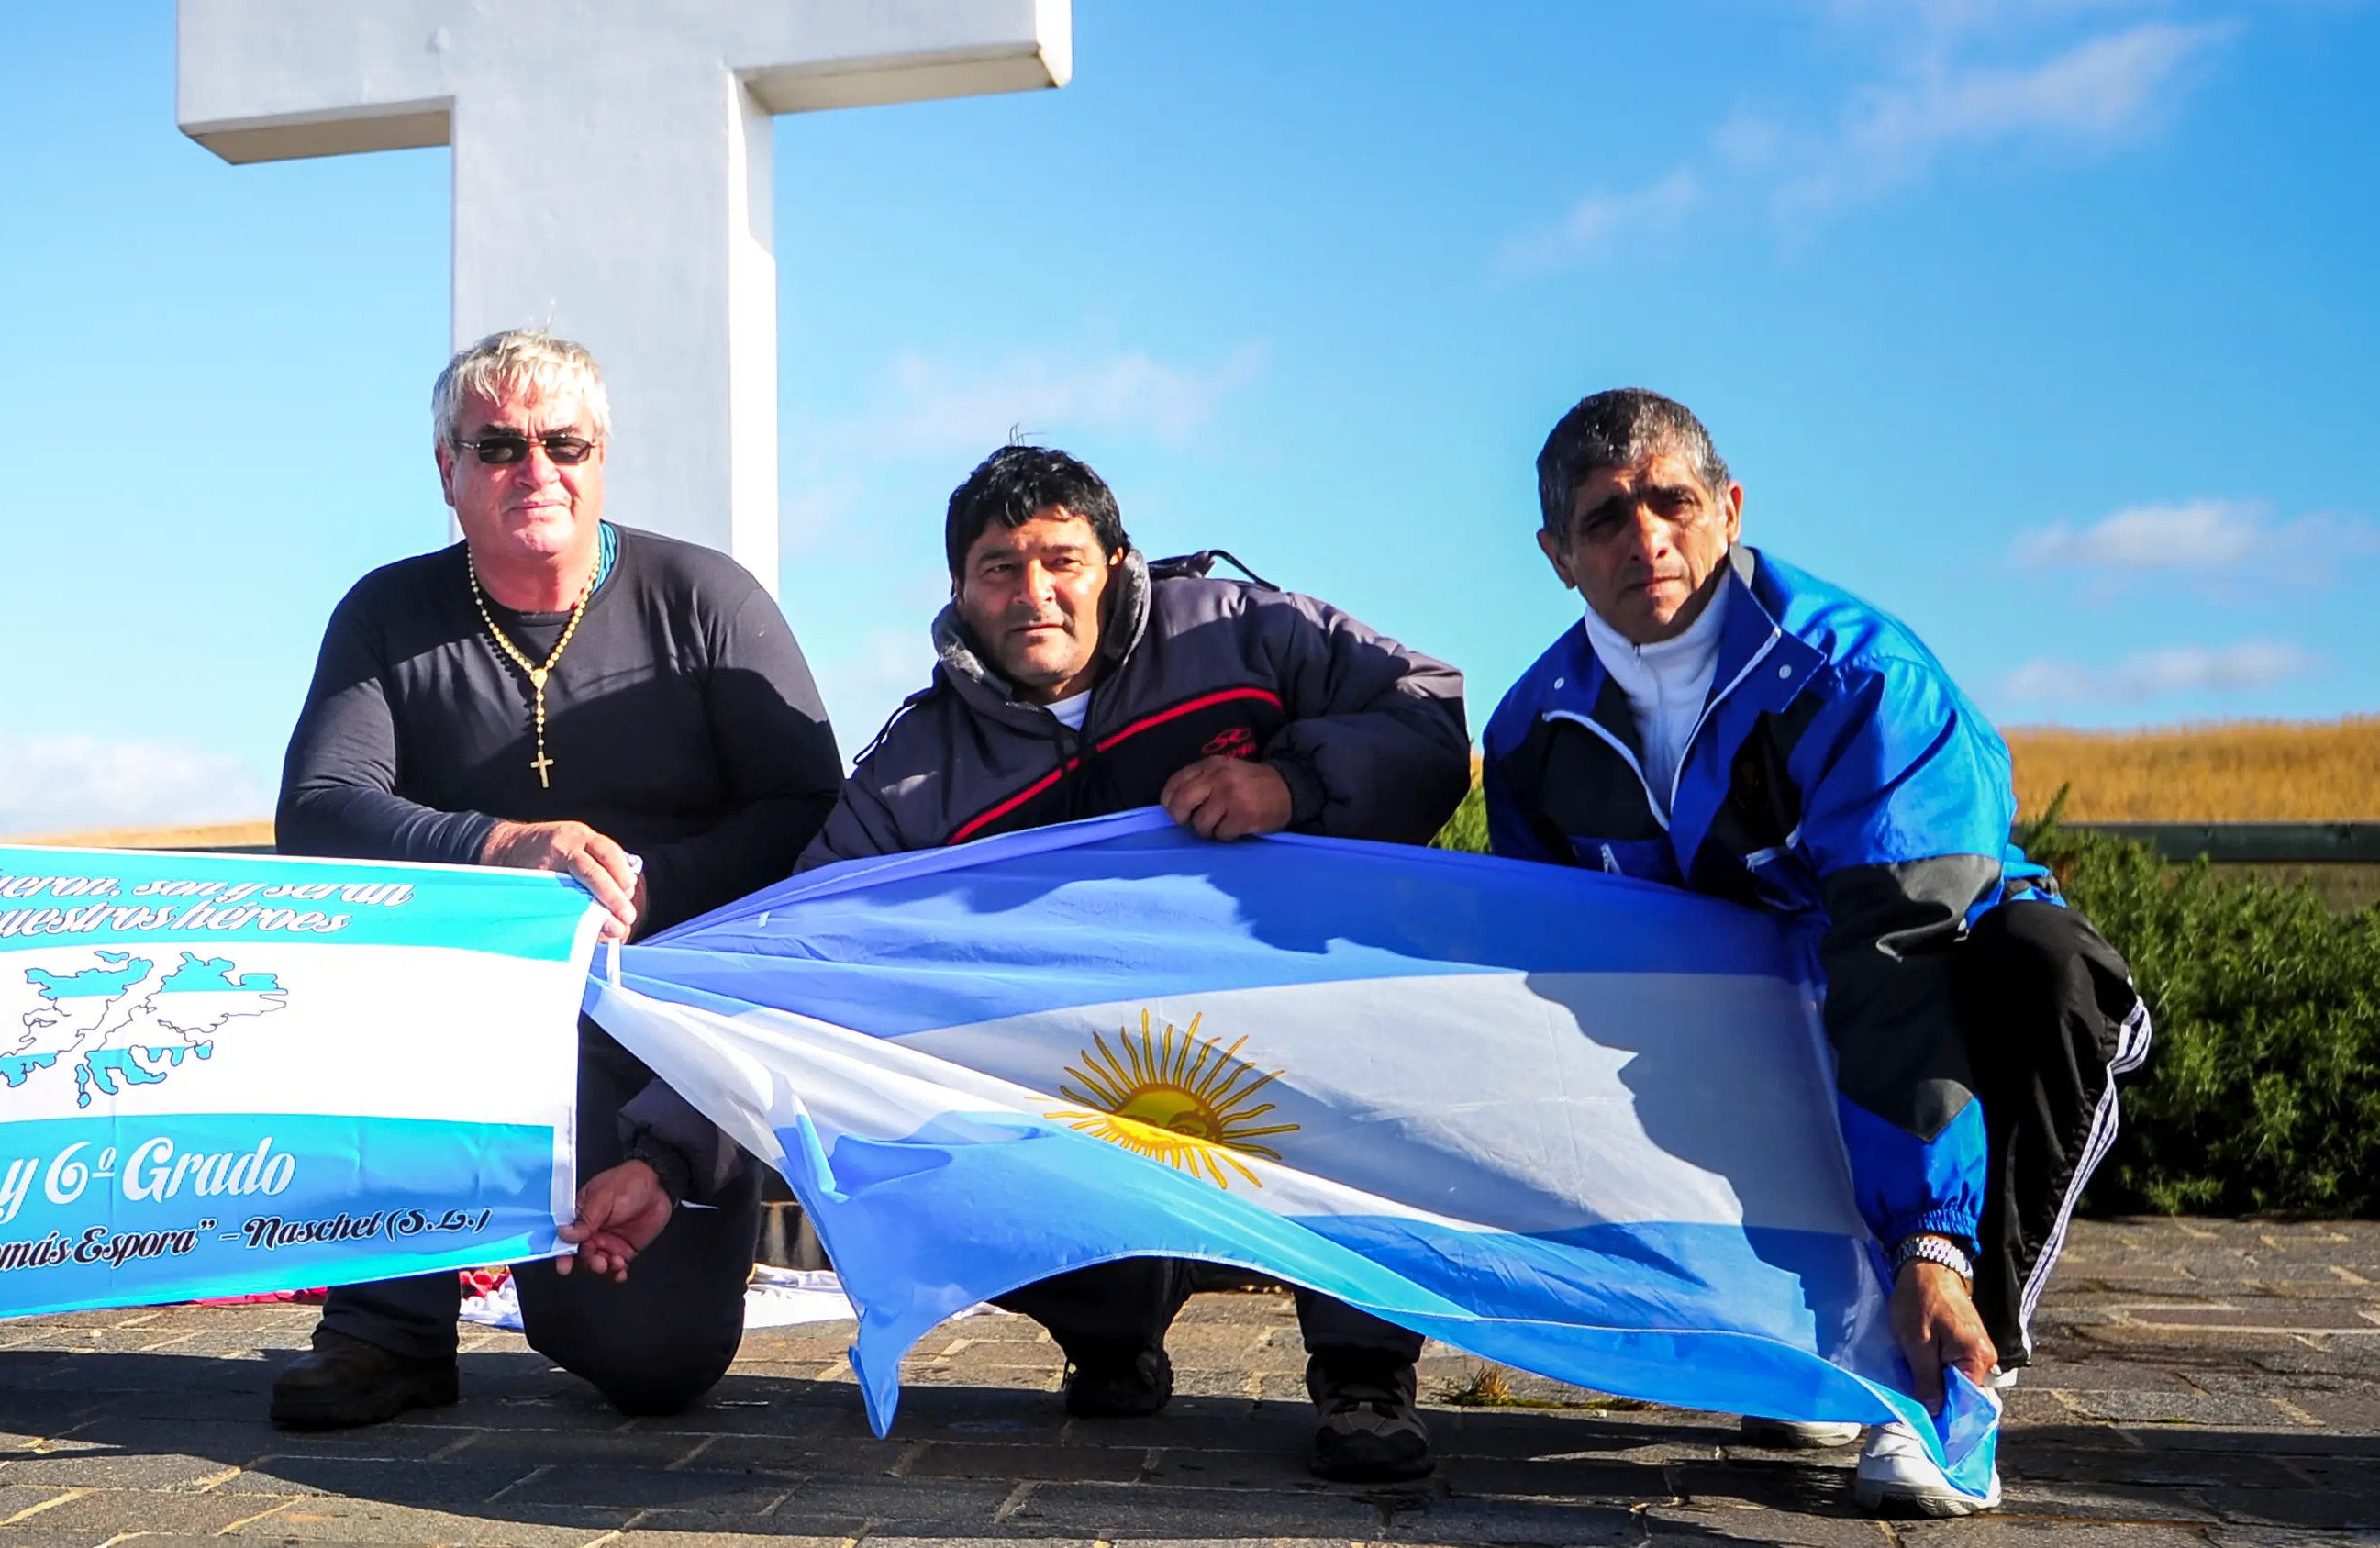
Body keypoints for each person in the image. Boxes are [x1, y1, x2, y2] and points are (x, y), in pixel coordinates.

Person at [599, 444, 1474, 1481]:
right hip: (1076, 1078)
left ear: (1116, 561)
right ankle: (1114, 1321)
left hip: (1278, 1024)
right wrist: (661, 1155)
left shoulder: (1249, 632)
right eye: (998, 568)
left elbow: (1426, 708)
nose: (1034, 592)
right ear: (961, 590)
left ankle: (1363, 1370)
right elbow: (798, 967)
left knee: (1368, 1058)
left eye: (1061, 558)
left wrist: (1291, 787)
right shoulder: (913, 777)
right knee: (917, 1123)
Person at [1481, 389, 2150, 1521]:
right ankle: (1804, 1336)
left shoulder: (1866, 679)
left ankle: (1949, 1375)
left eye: (1673, 501)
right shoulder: (1529, 736)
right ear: (1557, 553)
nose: (1646, 537)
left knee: (2048, 970)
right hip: (1734, 1023)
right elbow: (1562, 975)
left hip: (1932, 981)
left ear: (1729, 507)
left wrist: (1932, 1238)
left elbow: (1898, 952)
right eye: (1605, 518)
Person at [266, 329, 846, 1430]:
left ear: (601, 456)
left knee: (653, 1361)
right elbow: (319, 807)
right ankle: (387, 1327)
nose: (535, 470)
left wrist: (645, 880)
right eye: (497, 447)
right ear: (448, 470)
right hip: (464, 1007)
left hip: (670, 1020)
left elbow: (814, 810)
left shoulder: (707, 599)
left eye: (562, 443)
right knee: (358, 974)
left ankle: (590, 1286)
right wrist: (500, 846)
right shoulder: (386, 616)